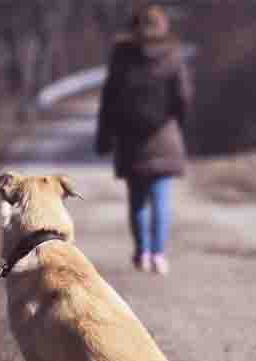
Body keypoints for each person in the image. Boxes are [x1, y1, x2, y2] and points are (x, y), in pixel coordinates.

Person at [95, 4, 193, 275]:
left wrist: (105, 136)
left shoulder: (122, 56)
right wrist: (177, 123)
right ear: (163, 26)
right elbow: (183, 96)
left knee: (137, 200)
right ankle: (159, 255)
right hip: (164, 135)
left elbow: (109, 99)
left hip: (130, 139)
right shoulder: (172, 55)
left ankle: (142, 253)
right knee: (161, 199)